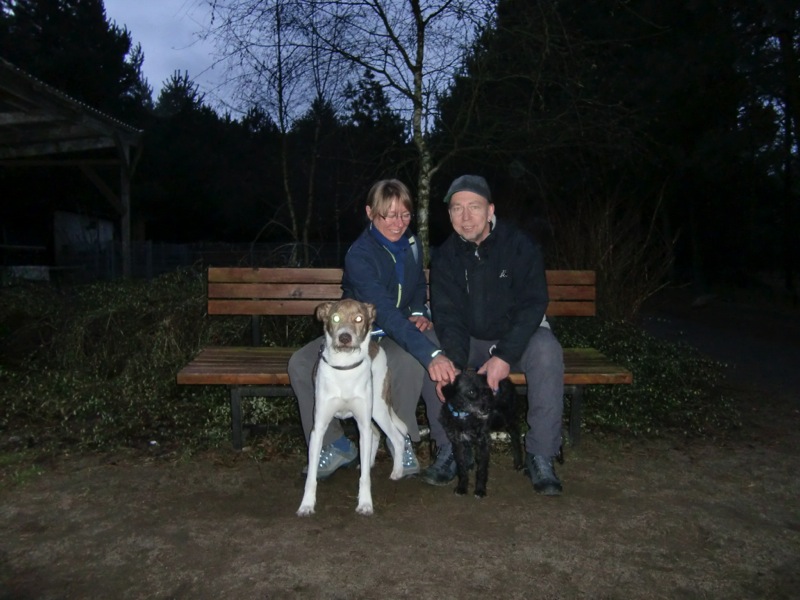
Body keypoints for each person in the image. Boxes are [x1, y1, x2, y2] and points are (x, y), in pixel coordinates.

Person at [288, 179, 457, 480]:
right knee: (300, 364)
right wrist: (431, 354)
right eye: (388, 215)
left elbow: (418, 283)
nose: (398, 223)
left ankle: (400, 439)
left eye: (404, 215)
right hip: (362, 333)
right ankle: (335, 444)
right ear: (370, 213)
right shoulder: (359, 255)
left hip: (398, 330)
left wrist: (418, 311)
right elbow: (385, 313)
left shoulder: (413, 244)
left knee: (407, 360)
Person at [419, 174, 565, 496]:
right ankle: (450, 448)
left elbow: (533, 304)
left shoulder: (520, 246)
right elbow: (447, 316)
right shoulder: (445, 256)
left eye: (474, 207)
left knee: (547, 350)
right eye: (457, 208)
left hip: (516, 338)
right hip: (468, 340)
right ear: (449, 214)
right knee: (431, 349)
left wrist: (504, 355)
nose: (466, 217)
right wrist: (453, 364)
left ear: (490, 210)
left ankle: (541, 453)